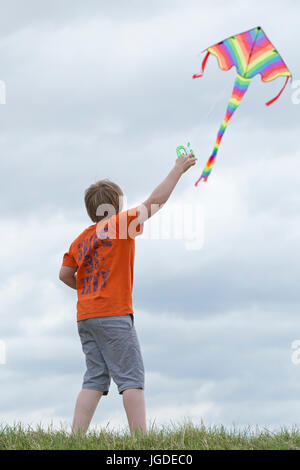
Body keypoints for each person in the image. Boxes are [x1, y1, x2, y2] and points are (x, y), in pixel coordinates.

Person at [59, 153, 196, 435]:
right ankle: (140, 439)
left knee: (95, 378)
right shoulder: (121, 225)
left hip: (86, 317)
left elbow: (64, 274)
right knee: (131, 378)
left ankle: (76, 437)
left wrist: (87, 290)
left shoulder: (80, 239)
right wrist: (178, 169)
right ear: (117, 206)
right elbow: (154, 202)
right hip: (114, 315)